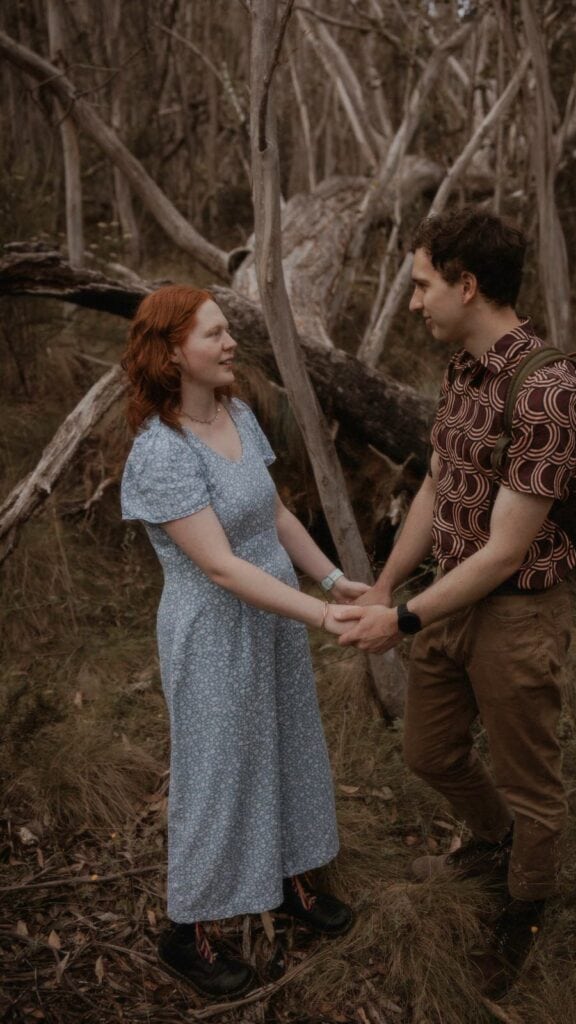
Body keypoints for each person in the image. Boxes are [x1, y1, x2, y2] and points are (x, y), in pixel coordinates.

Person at [337, 209, 576, 996]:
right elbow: (439, 487)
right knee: (428, 750)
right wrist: (385, 585)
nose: (414, 303)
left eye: (421, 285)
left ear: (466, 285)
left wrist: (402, 618)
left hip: (515, 612)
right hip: (450, 599)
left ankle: (525, 909)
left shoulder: (547, 392)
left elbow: (506, 549)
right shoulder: (462, 369)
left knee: (530, 784)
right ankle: (492, 841)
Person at [120, 285, 365, 999]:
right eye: (215, 334)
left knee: (287, 742)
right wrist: (317, 618)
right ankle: (188, 929)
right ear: (172, 353)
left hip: (277, 615)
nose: (231, 344)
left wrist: (330, 581)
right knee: (218, 769)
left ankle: (286, 878)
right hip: (215, 630)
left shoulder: (238, 414)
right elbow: (222, 566)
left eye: (229, 332)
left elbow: (274, 512)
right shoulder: (161, 452)